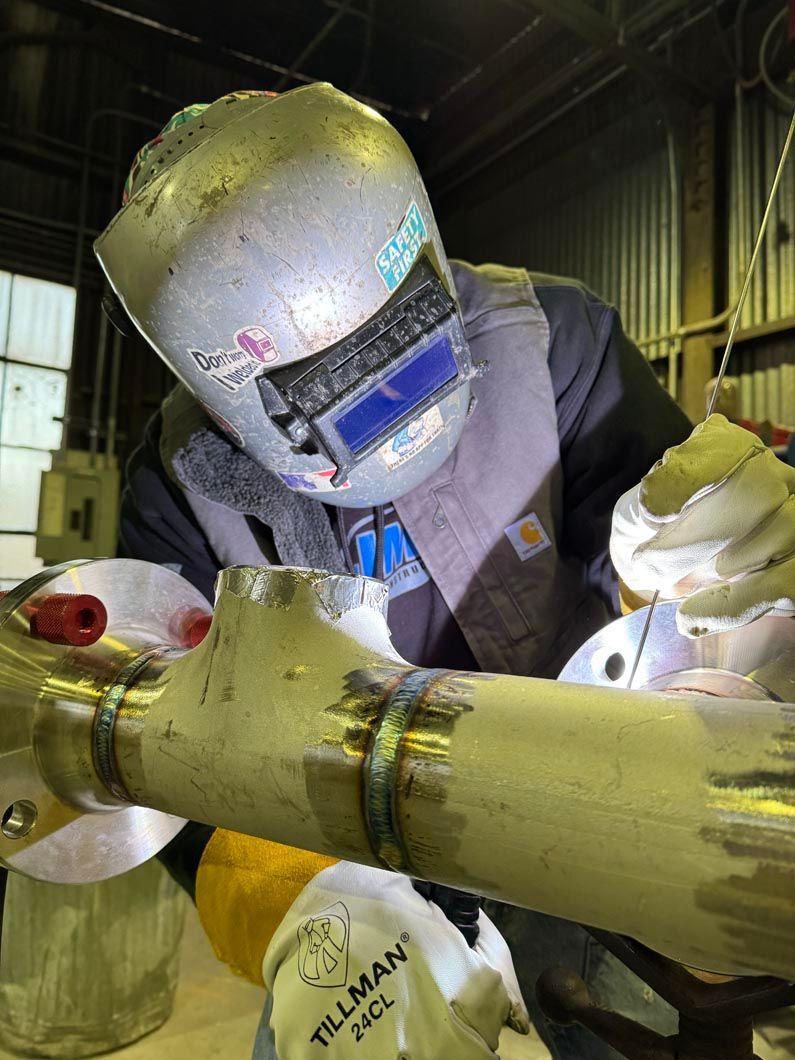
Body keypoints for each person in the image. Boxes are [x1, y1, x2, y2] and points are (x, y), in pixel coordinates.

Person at [94, 85, 795, 1060]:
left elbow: (691, 570)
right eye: (340, 390)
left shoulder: (552, 340)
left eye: (407, 349)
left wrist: (706, 557)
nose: (392, 406)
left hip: (585, 818)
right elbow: (167, 747)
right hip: (360, 872)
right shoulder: (181, 486)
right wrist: (311, 914)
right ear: (226, 402)